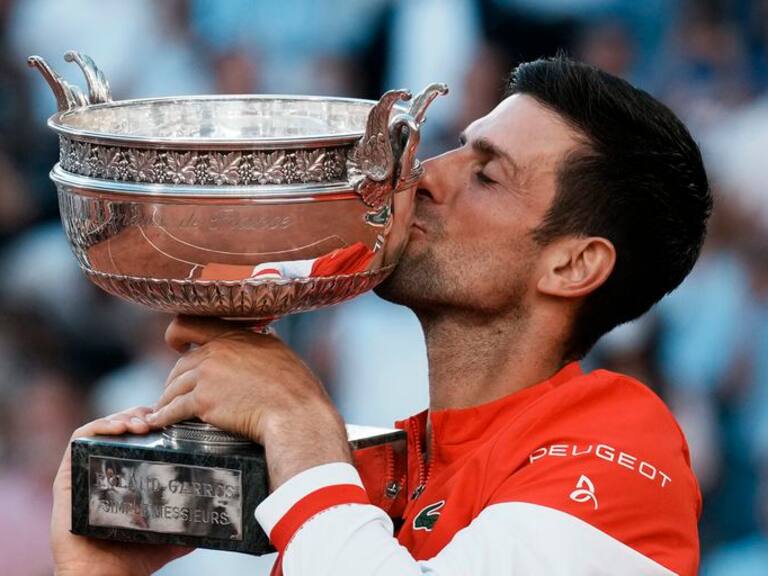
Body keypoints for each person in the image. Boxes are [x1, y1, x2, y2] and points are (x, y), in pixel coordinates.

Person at [50, 56, 712, 576]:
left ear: (573, 265)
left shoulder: (623, 450)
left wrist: (295, 417)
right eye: (457, 147)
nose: (423, 175)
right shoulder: (379, 470)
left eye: (487, 175)